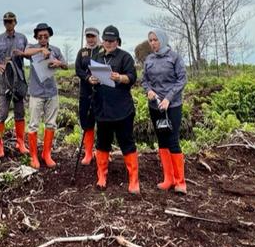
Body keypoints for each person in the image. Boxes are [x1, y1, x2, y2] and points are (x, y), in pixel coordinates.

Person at [88, 25, 139, 194]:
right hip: (102, 108)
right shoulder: (97, 55)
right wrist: (92, 79)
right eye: (106, 40)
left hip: (122, 108)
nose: (108, 43)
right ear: (102, 41)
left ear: (117, 41)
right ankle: (101, 176)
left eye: (112, 41)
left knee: (127, 143)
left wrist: (120, 77)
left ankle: (133, 180)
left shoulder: (125, 57)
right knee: (102, 143)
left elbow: (132, 78)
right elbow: (90, 75)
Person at [141, 28, 188, 193]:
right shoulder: (149, 59)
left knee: (173, 140)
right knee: (161, 140)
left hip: (172, 105)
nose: (153, 43)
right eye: (151, 40)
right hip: (155, 106)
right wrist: (149, 91)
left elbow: (182, 79)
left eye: (155, 40)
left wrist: (169, 98)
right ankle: (168, 179)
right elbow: (144, 80)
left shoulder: (174, 57)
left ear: (162, 40)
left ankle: (180, 182)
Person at [16, 22, 67, 168]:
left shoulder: (55, 50)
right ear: (37, 37)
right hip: (36, 93)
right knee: (33, 125)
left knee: (51, 123)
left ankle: (47, 154)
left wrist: (58, 62)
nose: (43, 38)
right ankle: (33, 156)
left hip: (52, 92)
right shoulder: (32, 48)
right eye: (40, 36)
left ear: (49, 36)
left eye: (45, 36)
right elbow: (25, 53)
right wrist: (40, 50)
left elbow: (65, 65)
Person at [0, 11, 29, 157]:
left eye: (11, 21)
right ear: (3, 23)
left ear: (15, 22)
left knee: (20, 113)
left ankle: (21, 143)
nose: (8, 23)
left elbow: (28, 55)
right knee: (2, 114)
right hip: (4, 82)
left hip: (18, 81)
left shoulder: (22, 38)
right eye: (6, 21)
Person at [75, 27, 103, 166]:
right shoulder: (82, 52)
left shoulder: (103, 50)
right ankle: (88, 152)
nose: (90, 39)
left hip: (101, 92)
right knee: (87, 122)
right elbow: (78, 69)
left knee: (103, 122)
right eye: (88, 37)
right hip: (85, 92)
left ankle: (102, 151)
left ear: (97, 37)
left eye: (93, 36)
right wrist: (87, 78)